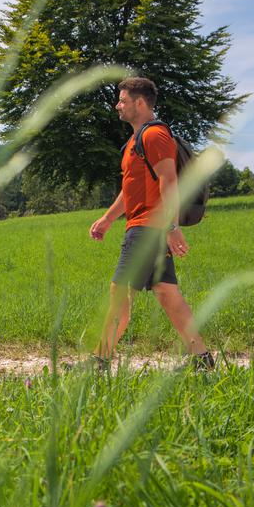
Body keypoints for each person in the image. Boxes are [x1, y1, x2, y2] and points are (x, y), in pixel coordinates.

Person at [88, 76, 214, 371]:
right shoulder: (134, 141)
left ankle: (99, 361)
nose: (117, 105)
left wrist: (171, 227)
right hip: (146, 225)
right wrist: (108, 218)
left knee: (120, 293)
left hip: (148, 227)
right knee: (167, 293)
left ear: (140, 103)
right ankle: (202, 359)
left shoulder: (154, 135)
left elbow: (169, 180)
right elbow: (130, 189)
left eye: (122, 100)